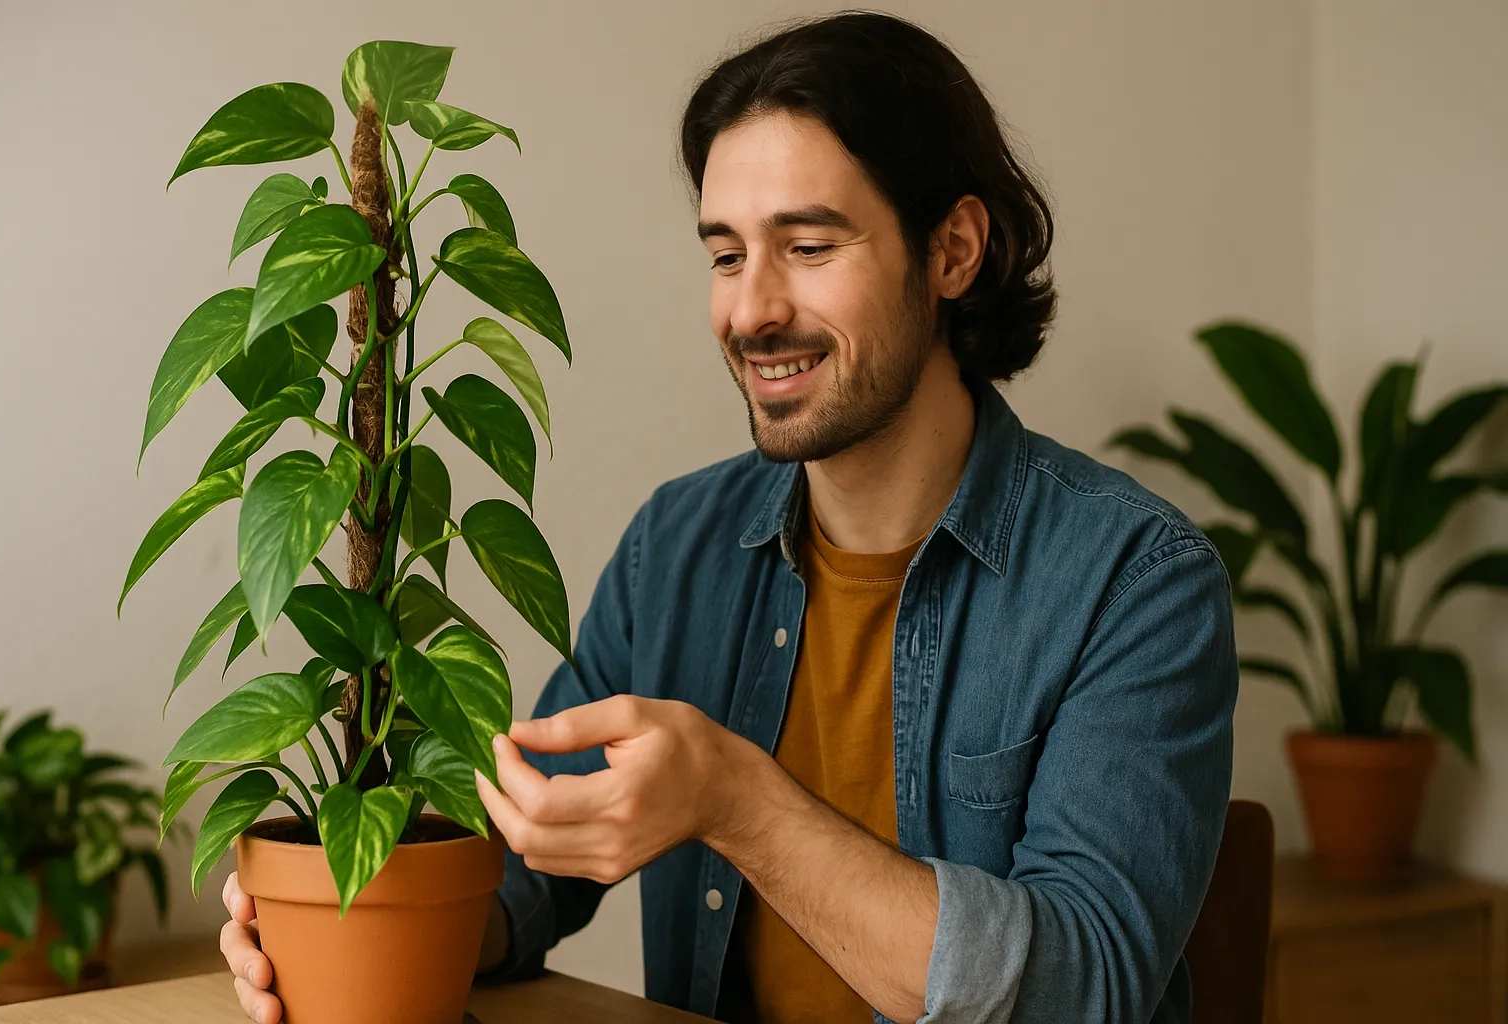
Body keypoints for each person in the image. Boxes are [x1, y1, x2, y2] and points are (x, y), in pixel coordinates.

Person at [221, 11, 1236, 1024]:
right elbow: (525, 876)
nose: (751, 311)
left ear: (954, 251)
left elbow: (1084, 987)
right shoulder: (676, 548)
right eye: (724, 255)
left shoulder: (1135, 578)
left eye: (807, 244)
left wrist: (736, 800)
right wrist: (332, 916)